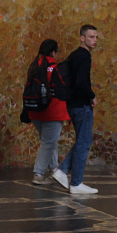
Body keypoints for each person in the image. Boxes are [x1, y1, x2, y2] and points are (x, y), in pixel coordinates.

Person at [54, 24, 99, 195]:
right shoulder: (84, 56)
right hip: (81, 105)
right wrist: (92, 95)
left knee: (84, 139)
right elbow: (81, 82)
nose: (94, 41)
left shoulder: (74, 55)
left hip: (73, 104)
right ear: (82, 38)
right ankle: (76, 182)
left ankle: (63, 171)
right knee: (84, 142)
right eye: (91, 37)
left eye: (96, 37)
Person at [26, 39, 71, 186]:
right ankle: (38, 174)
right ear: (53, 52)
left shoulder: (34, 66)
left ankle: (53, 170)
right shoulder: (55, 68)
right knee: (48, 143)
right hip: (53, 112)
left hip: (35, 111)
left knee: (49, 142)